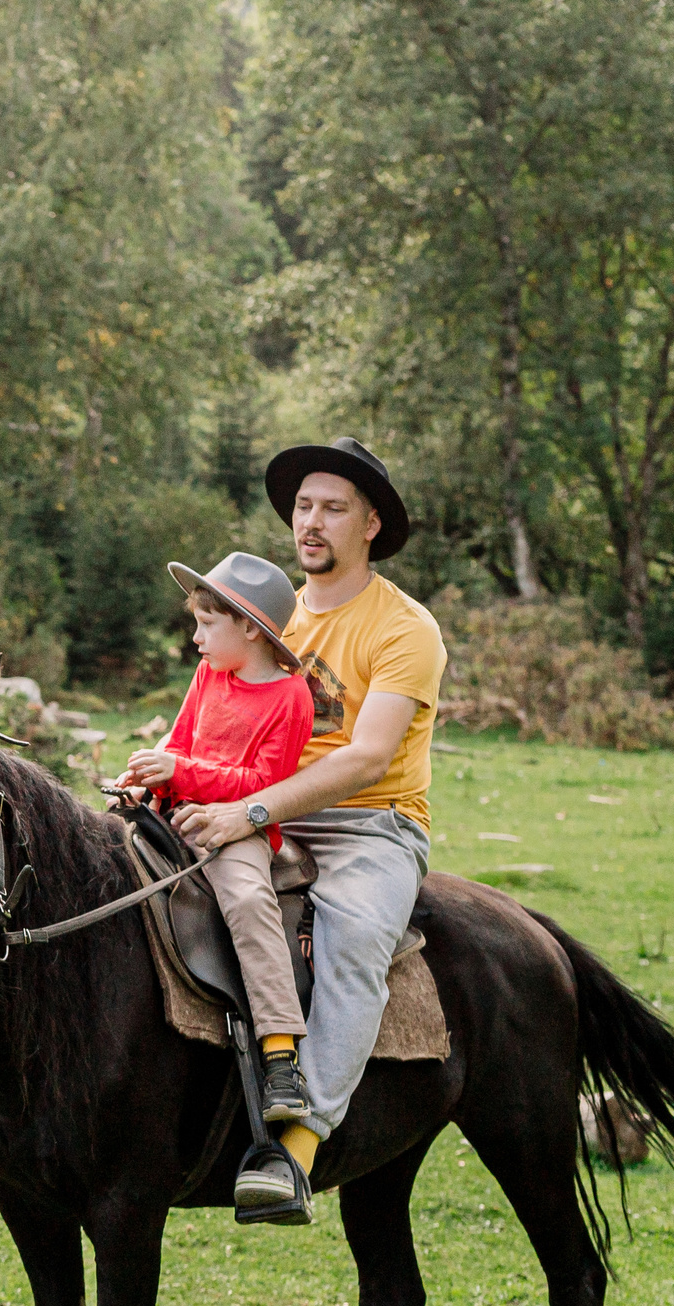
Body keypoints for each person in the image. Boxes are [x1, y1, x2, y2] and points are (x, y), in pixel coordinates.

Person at [170, 439, 446, 1220]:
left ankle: (295, 1146)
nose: (310, 522)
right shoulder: (267, 614)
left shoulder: (405, 628)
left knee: (355, 942)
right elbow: (209, 710)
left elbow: (365, 757)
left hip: (368, 824)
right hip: (253, 799)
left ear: (371, 523)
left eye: (332, 507)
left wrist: (251, 811)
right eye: (302, 506)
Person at [118, 553, 317, 1131]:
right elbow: (180, 741)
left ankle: (280, 1053)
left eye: (208, 624)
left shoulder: (291, 698)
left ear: (250, 628)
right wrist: (145, 777)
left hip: (240, 828)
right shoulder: (210, 674)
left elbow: (266, 786)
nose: (196, 637)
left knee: (249, 901)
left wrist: (179, 773)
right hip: (174, 811)